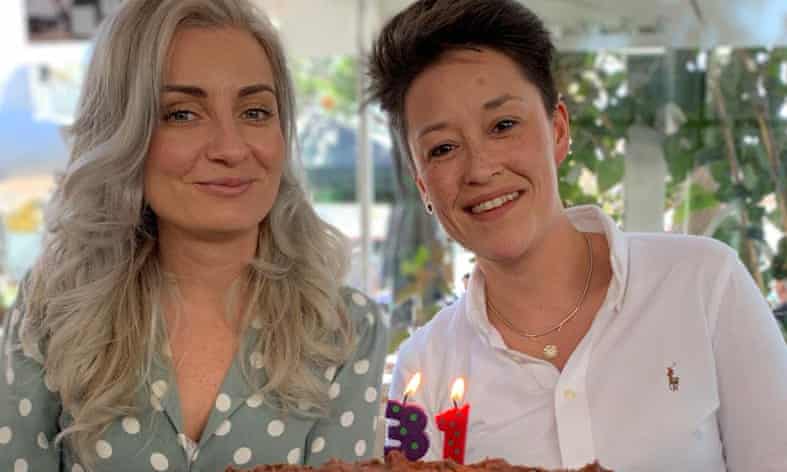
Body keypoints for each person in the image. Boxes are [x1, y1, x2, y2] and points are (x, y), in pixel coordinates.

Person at [367, 0, 787, 470]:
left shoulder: (704, 285)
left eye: (503, 125)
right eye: (443, 148)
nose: (481, 169)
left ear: (559, 130)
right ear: (423, 183)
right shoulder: (427, 368)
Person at [1, 1, 387, 470]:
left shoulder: (346, 331)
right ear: (124, 133)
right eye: (182, 114)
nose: (230, 147)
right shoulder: (50, 315)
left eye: (255, 111)